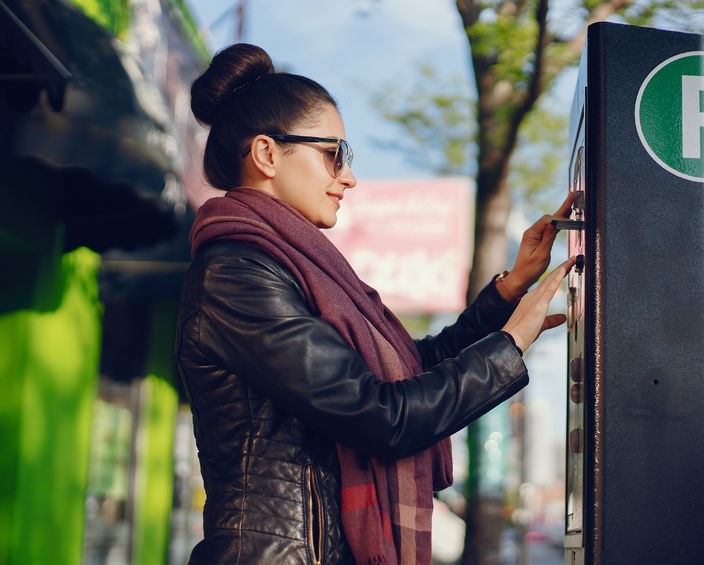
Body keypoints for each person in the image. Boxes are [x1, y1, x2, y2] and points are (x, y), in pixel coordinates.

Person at [176, 42, 577, 565]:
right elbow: (384, 416)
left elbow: (407, 372)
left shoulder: (292, 265)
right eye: (333, 153)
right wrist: (510, 344)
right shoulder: (238, 274)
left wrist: (510, 290)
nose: (349, 177)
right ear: (267, 154)